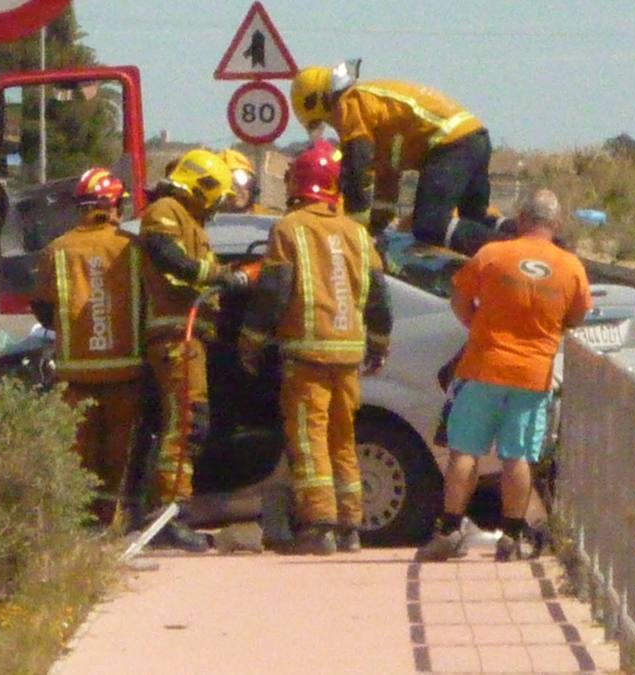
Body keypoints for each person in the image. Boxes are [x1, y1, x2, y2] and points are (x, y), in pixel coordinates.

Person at [415, 189, 592, 562]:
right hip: (533, 374)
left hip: (483, 366)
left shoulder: (492, 255)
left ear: (520, 220)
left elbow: (459, 300)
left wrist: (479, 326)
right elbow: (576, 317)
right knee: (518, 455)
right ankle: (511, 536)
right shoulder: (570, 267)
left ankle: (448, 530)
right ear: (556, 224)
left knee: (465, 450)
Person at [238, 142, 393, 555]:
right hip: (348, 357)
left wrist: (250, 342)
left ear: (296, 184)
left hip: (306, 358)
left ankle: (320, 525)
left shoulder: (289, 229)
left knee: (309, 440)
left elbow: (273, 291)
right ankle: (351, 526)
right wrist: (378, 345)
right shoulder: (357, 233)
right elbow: (379, 295)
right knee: (343, 440)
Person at [139, 148, 248, 551]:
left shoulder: (192, 222)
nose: (216, 208)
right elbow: (165, 256)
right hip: (175, 336)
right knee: (187, 423)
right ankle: (170, 515)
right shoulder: (166, 210)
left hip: (191, 338)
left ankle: (172, 510)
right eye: (215, 198)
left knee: (190, 422)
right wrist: (218, 275)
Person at [289, 62, 514, 255]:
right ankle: (530, 240)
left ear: (318, 101)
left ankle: (512, 253)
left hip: (451, 144)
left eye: (321, 121)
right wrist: (376, 226)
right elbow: (387, 180)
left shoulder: (349, 103)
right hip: (473, 137)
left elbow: (357, 168)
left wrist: (354, 232)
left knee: (430, 225)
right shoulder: (378, 114)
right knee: (474, 218)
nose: (332, 126)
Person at [31, 167, 143, 526]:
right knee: (119, 460)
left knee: (80, 458)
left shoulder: (57, 250)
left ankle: (82, 525)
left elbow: (45, 310)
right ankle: (113, 524)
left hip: (75, 376)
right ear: (114, 206)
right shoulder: (131, 246)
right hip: (126, 373)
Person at [217, 148, 269, 214]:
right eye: (226, 182)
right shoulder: (204, 220)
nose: (233, 188)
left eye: (241, 179)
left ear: (253, 186)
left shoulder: (266, 219)